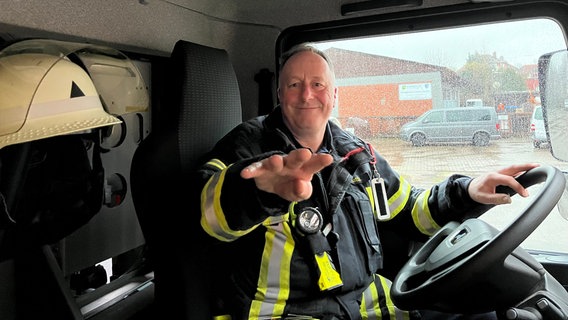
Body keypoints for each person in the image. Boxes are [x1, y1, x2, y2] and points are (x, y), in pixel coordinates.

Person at [196, 42, 537, 320]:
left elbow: (410, 209)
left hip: (369, 305)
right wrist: (257, 193)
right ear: (280, 94)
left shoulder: (356, 152)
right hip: (282, 313)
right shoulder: (246, 145)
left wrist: (467, 191)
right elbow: (204, 214)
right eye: (294, 85)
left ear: (335, 96)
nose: (306, 95)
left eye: (318, 85)